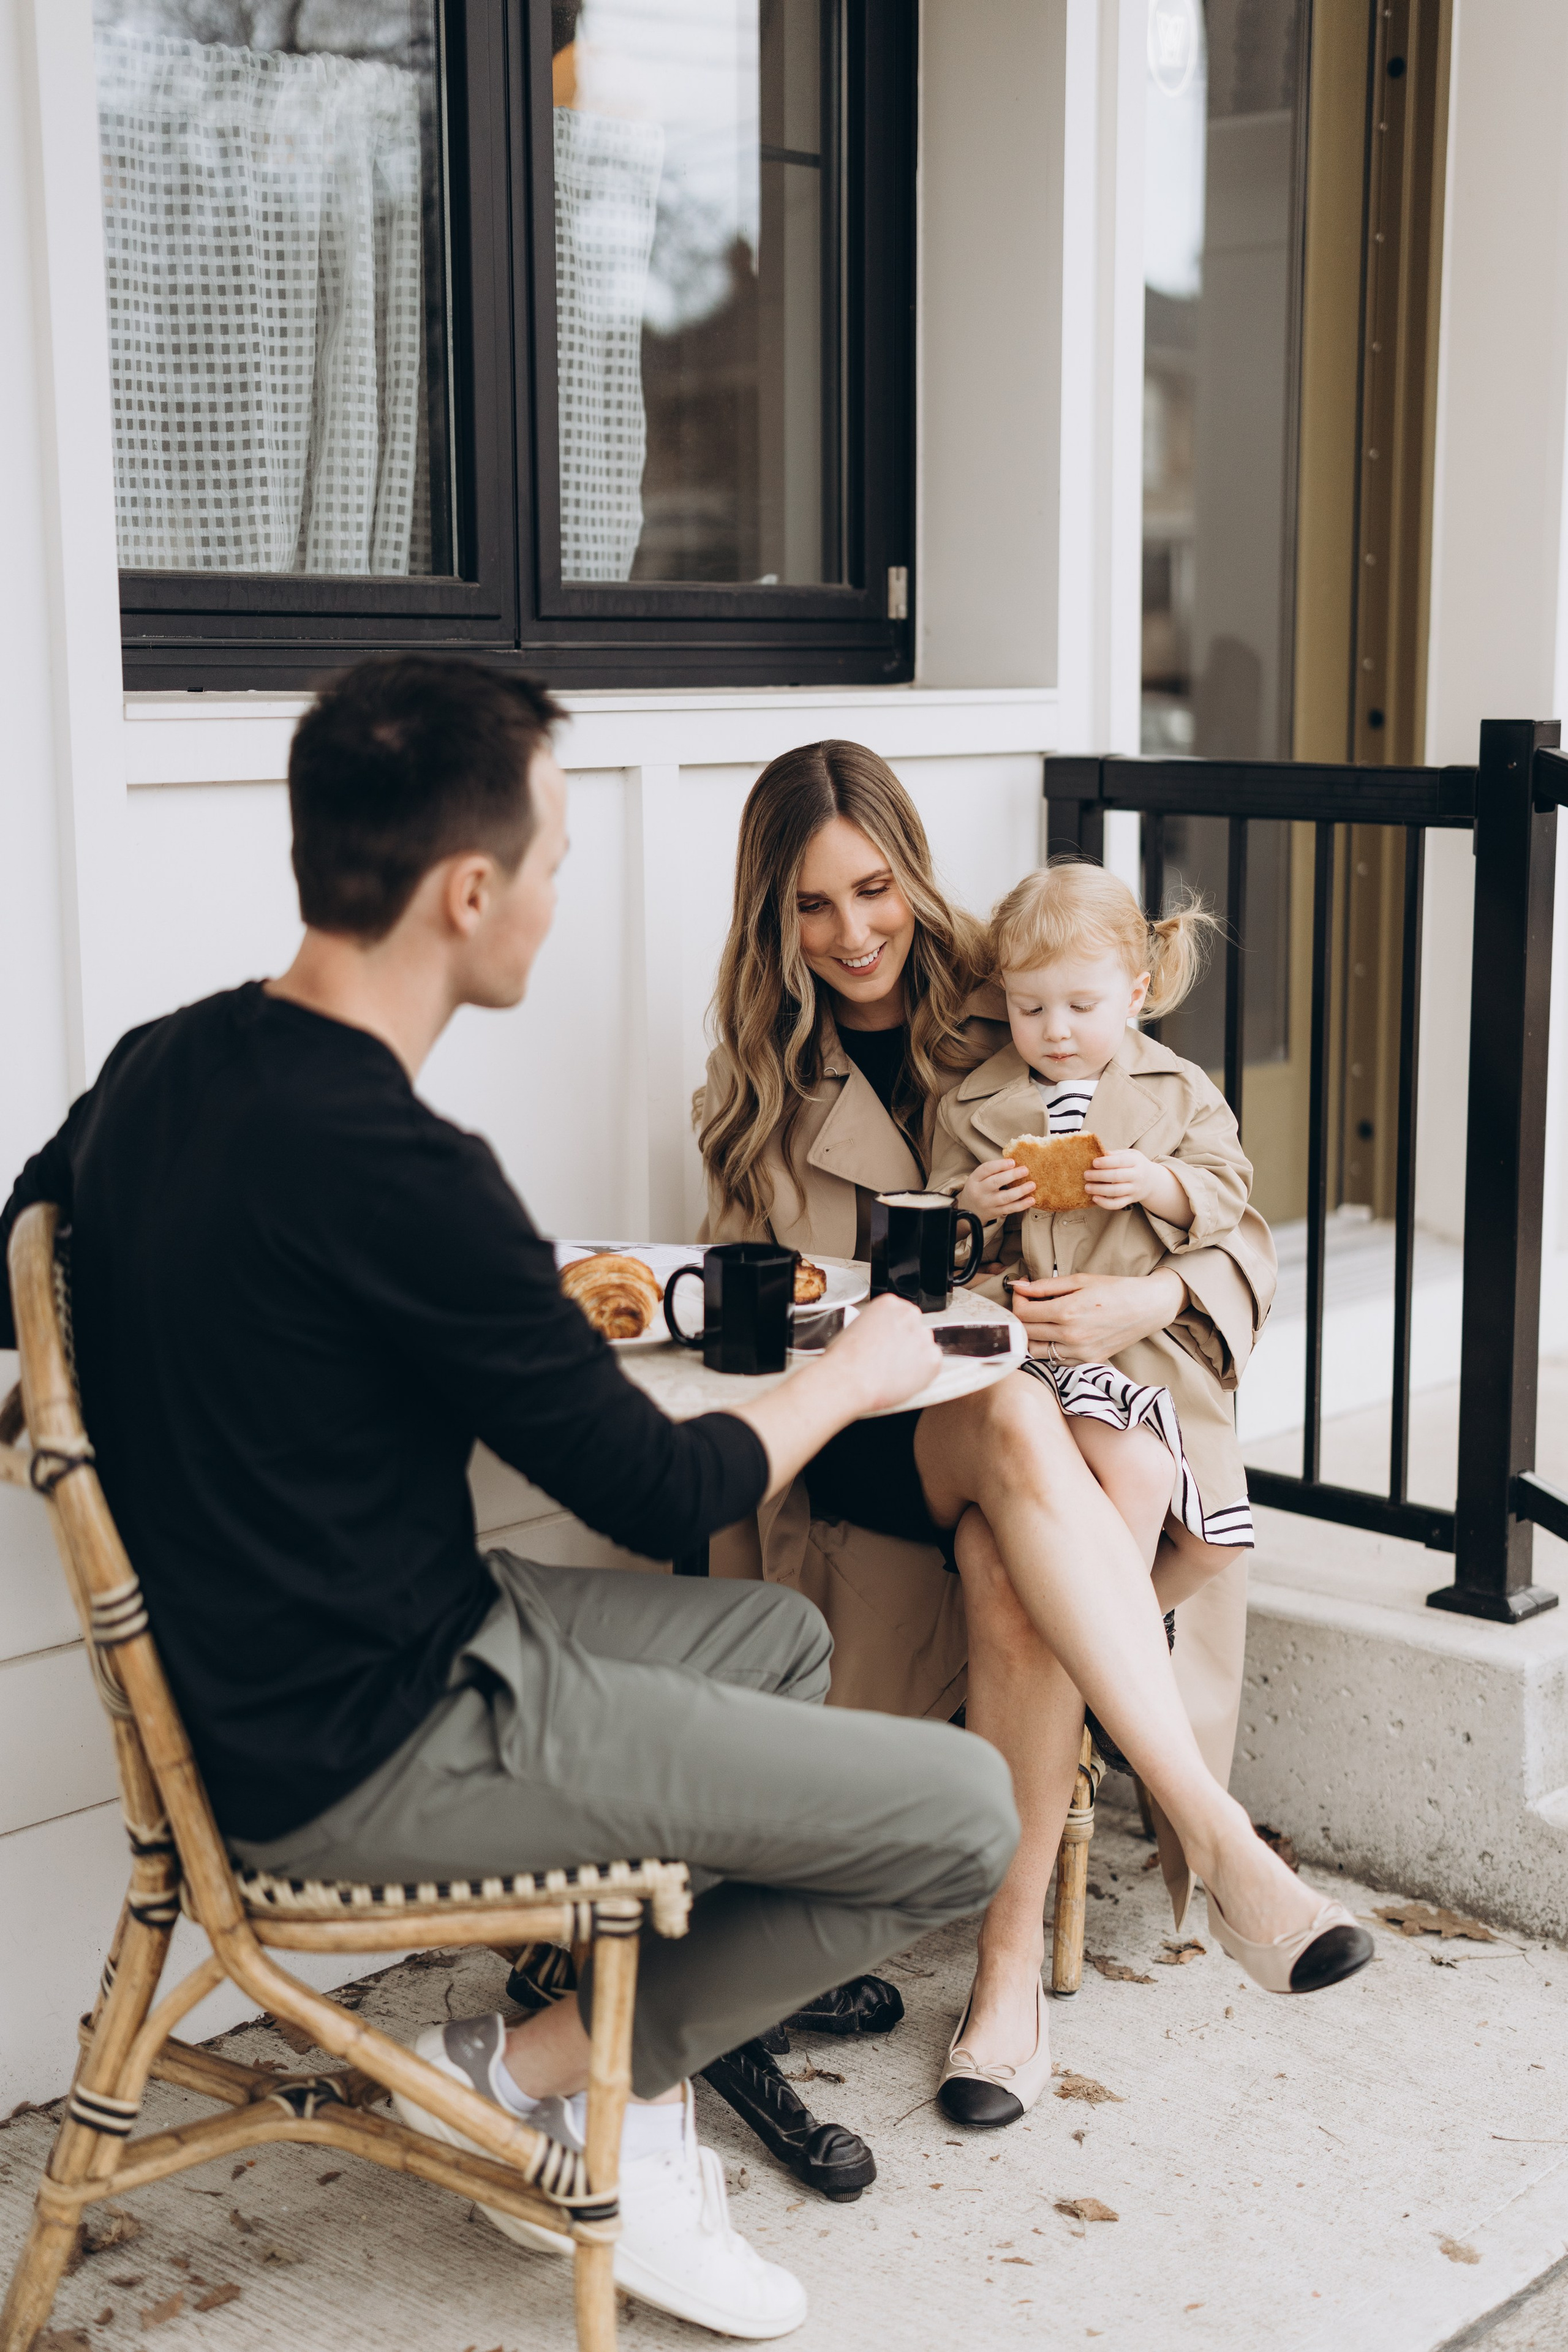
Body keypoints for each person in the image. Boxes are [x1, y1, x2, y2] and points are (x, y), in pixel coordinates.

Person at [0, 659, 1022, 2343]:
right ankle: (561, 2080)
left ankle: (622, 2064)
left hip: (299, 1661)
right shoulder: (410, 1178)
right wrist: (855, 1372)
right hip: (368, 1745)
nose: (561, 891)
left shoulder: (162, 1066)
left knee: (767, 1632)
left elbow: (28, 1250)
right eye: (552, 857)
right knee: (963, 1814)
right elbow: (661, 1478)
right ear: (469, 893)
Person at [695, 741, 1373, 2141]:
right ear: (775, 919)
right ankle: (1219, 1839)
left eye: (871, 890)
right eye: (811, 909)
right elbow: (749, 1311)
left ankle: (1005, 1988)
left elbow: (1225, 1212)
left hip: (1041, 1408)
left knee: (1014, 1547)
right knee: (1007, 1419)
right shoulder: (755, 1086)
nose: (852, 934)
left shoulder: (1023, 989)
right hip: (871, 1425)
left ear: (910, 874)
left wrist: (1151, 1290)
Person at [930, 857, 1275, 1934]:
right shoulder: (979, 1101)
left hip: (1152, 1363)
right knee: (1115, 1461)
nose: (1056, 1031)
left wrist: (1159, 1184)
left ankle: (1075, 1659)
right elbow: (937, 1237)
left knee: (1210, 1534)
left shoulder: (1177, 1094)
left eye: (1081, 1005)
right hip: (1035, 1354)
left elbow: (1231, 1191)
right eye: (1030, 1008)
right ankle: (1098, 1675)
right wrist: (973, 1203)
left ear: (1135, 988)